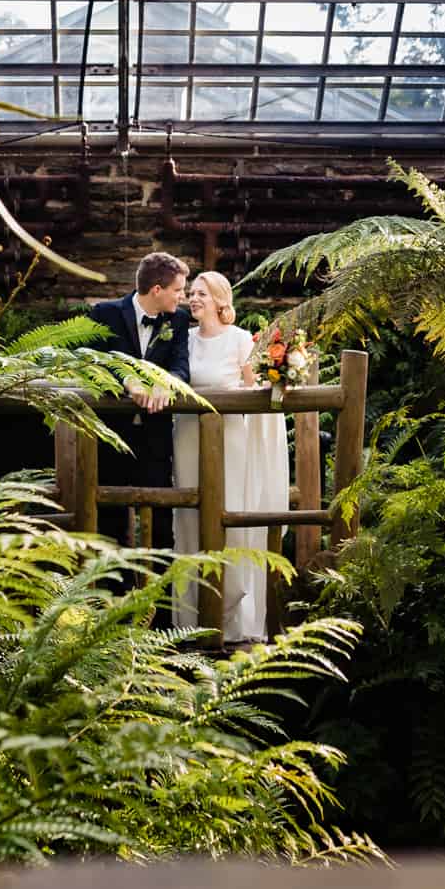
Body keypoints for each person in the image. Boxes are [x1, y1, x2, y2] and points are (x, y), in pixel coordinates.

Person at [171, 271, 288, 643]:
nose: (194, 299)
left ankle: (236, 619)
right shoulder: (182, 340)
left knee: (232, 516)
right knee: (189, 519)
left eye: (201, 293)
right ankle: (191, 619)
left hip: (231, 440)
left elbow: (257, 391)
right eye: (191, 293)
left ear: (221, 299)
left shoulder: (240, 341)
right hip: (187, 438)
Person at [86, 251, 192, 548]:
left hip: (155, 435)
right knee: (110, 520)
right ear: (157, 290)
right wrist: (126, 381)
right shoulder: (104, 313)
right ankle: (114, 593)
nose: (182, 297)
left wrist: (165, 384)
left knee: (161, 518)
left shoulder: (178, 320)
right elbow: (92, 363)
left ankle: (160, 594)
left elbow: (182, 367)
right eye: (178, 290)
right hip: (111, 434)